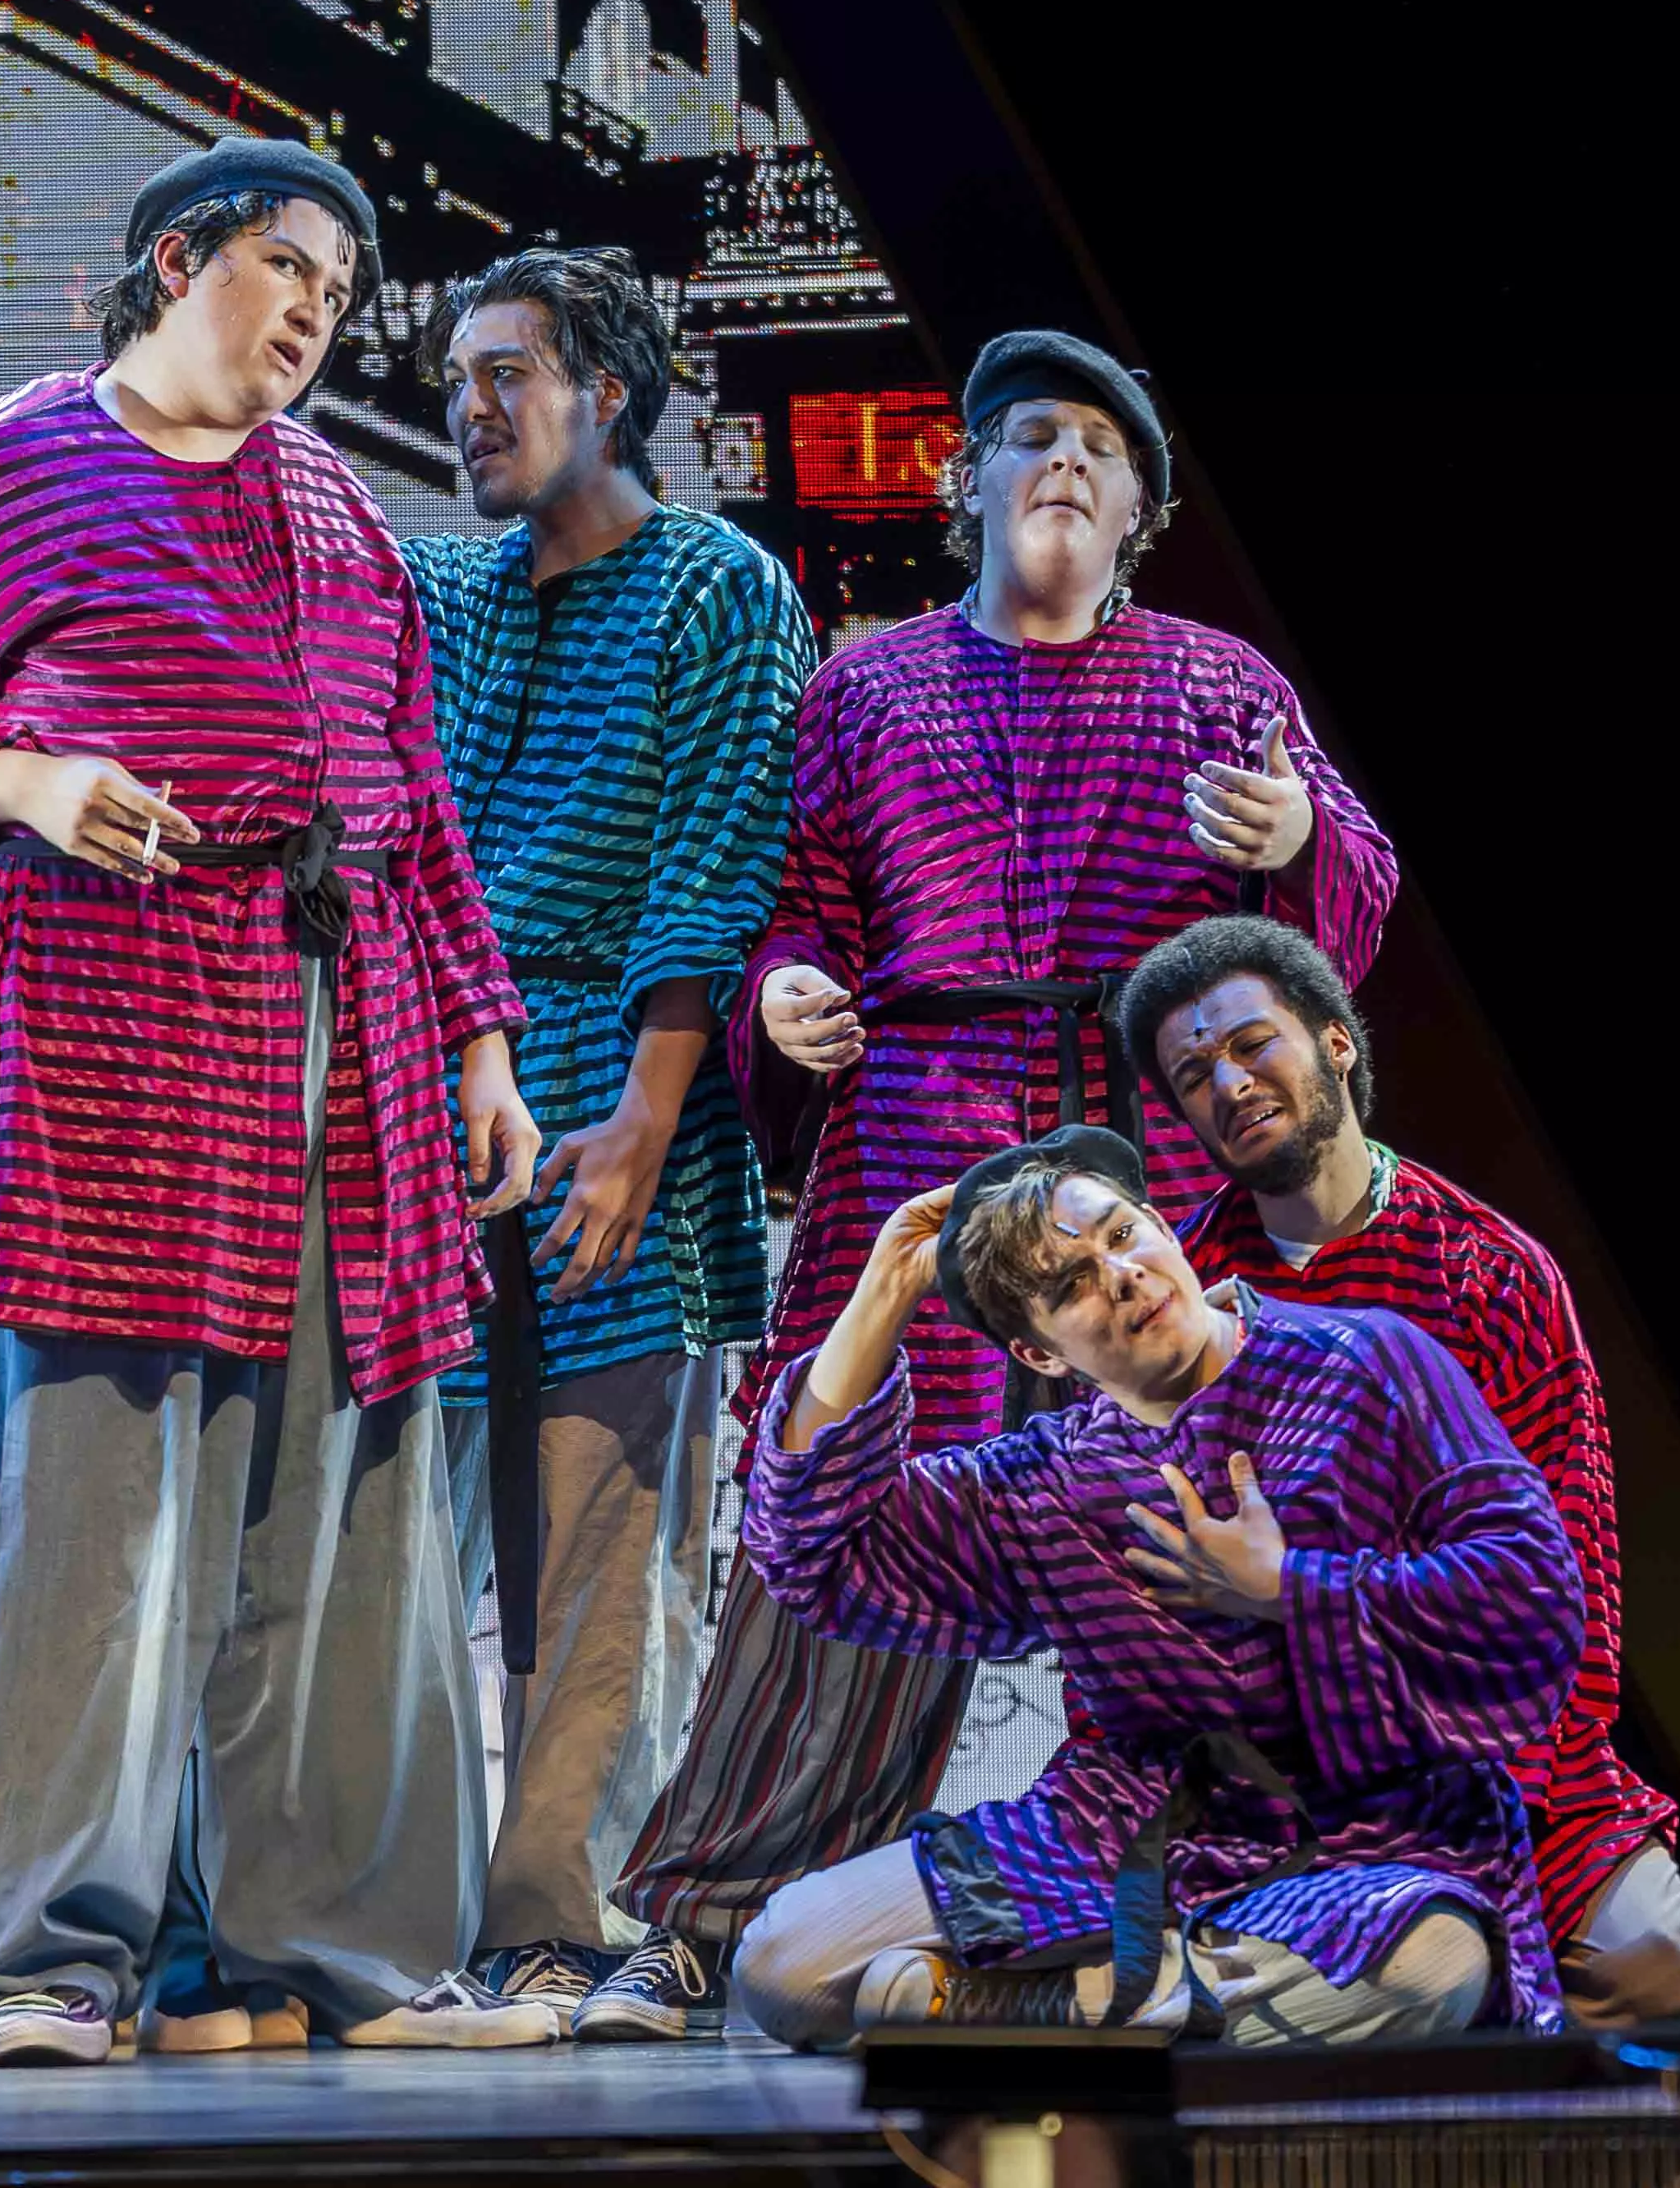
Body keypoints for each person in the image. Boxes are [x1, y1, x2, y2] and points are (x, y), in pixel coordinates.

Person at [0, 139, 549, 2062]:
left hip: (352, 1045)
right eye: (287, 266)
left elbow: (419, 808)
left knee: (347, 1530)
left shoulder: (341, 505)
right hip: (110, 1044)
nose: (313, 311)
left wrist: (479, 1045)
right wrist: (22, 786)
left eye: (338, 292)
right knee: (105, 1527)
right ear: (173, 260)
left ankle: (351, 1961)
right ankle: (50, 1963)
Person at [578, 329, 1401, 2039]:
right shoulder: (863, 687)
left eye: (1105, 445)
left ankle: (1239, 1897)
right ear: (969, 479)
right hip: (930, 1134)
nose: (1066, 464)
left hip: (1150, 1174)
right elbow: (800, 908)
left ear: (1144, 510)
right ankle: (711, 1909)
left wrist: (1294, 847)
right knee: (861, 1508)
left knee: (1196, 1530)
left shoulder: (1220, 681)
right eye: (1031, 434)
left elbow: (1355, 881)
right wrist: (787, 993)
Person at [728, 1127, 1580, 2049]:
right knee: (785, 1964)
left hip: (1371, 1838)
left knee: (1431, 1967)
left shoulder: (1366, 1361)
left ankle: (1043, 2005)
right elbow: (811, 1552)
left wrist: (1294, 1586)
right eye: (1071, 1285)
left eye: (1123, 1235)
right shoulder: (1045, 1485)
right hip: (1122, 1831)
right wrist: (887, 1286)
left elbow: (1533, 1587)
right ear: (1040, 1355)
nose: (1122, 1275)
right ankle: (1139, 1999)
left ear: (1163, 1227)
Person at [401, 246, 811, 2022]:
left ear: (610, 392)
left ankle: (559, 1914)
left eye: (511, 372)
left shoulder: (721, 582)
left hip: (625, 1087)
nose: (472, 406)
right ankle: (386, 1916)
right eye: (459, 377)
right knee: (394, 1549)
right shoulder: (449, 590)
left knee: (600, 1552)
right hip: (427, 1097)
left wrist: (644, 1115)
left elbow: (716, 859)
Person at [1118, 915, 1680, 2028]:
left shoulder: (1488, 1275)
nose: (1230, 1084)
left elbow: (1572, 1599)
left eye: (1254, 1044)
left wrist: (1474, 1791)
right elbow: (1132, 1587)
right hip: (1269, 1773)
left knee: (1669, 1974)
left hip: (1492, 1762)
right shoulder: (1177, 1287)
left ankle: (1442, 1963)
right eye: (1193, 1074)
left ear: (1336, 1042)